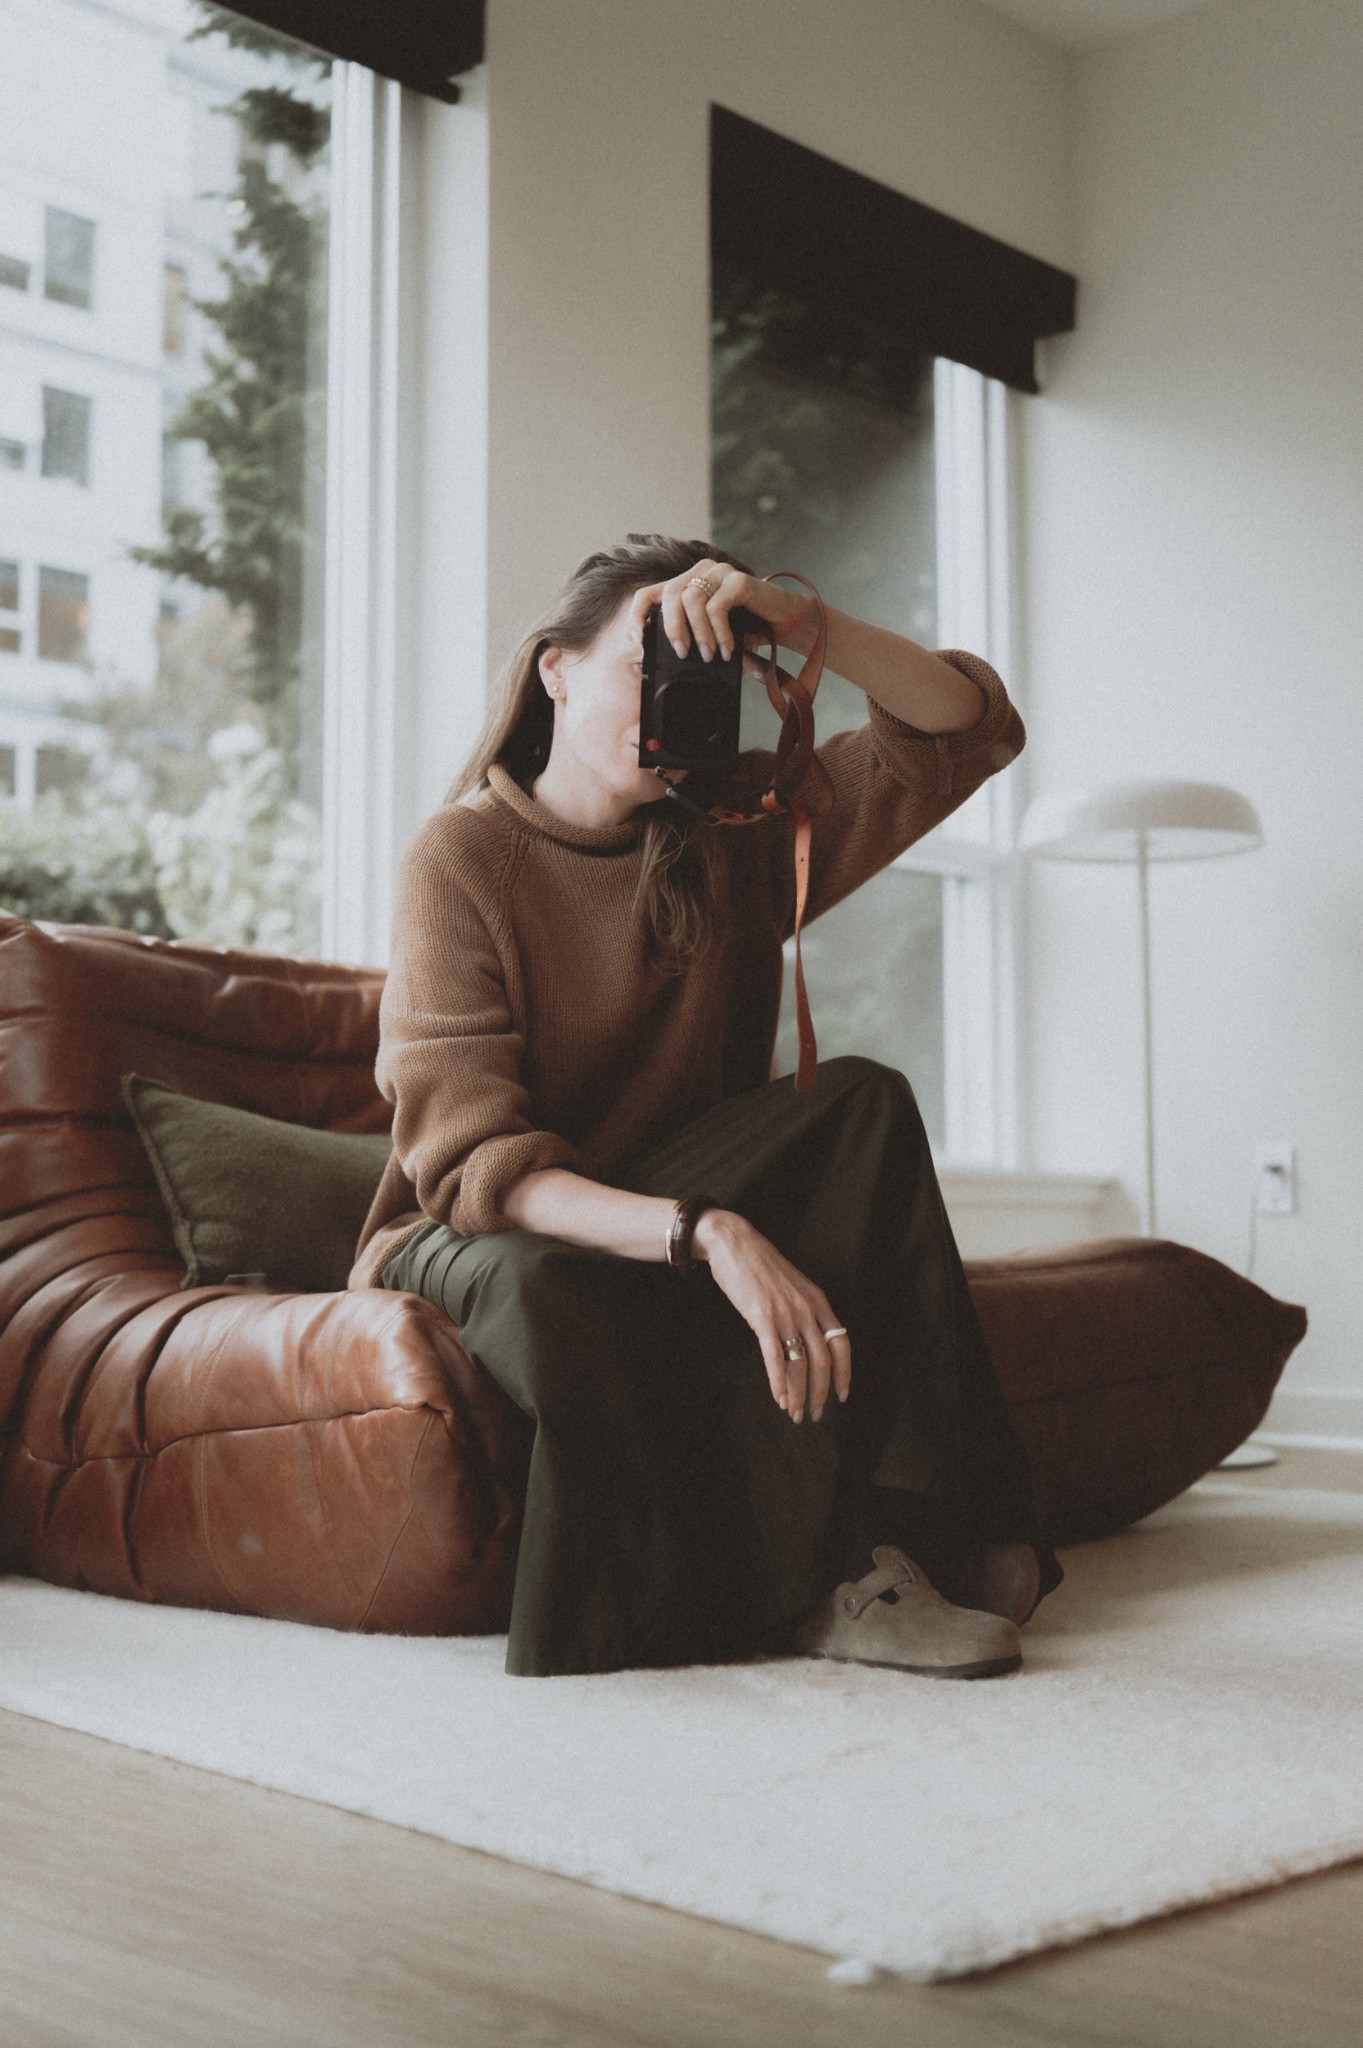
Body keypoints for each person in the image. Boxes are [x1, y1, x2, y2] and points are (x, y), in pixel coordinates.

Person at [348, 532, 1063, 1678]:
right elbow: (477, 1165)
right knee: (553, 1280)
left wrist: (788, 618)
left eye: (705, 673)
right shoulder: (462, 855)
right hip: (475, 1228)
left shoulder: (725, 838)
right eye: (650, 659)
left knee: (861, 1101)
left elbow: (965, 727)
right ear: (556, 670)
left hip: (659, 1184)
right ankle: (824, 1574)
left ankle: (929, 1530)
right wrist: (705, 1229)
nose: (675, 697)